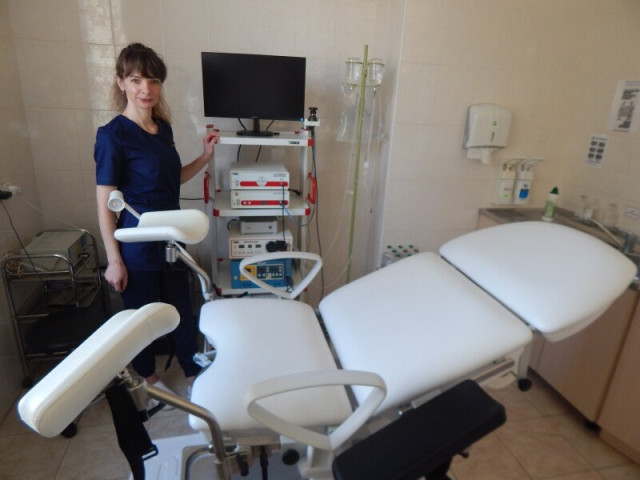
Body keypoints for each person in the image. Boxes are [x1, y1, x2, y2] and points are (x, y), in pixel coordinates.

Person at [95, 43, 219, 394]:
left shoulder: (162, 129)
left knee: (182, 307)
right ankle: (148, 379)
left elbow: (170, 179)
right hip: (136, 241)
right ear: (121, 82)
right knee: (142, 317)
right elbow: (105, 204)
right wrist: (114, 260)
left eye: (153, 81)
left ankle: (192, 370)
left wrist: (205, 157)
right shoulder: (112, 136)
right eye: (136, 80)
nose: (145, 89)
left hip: (171, 236)